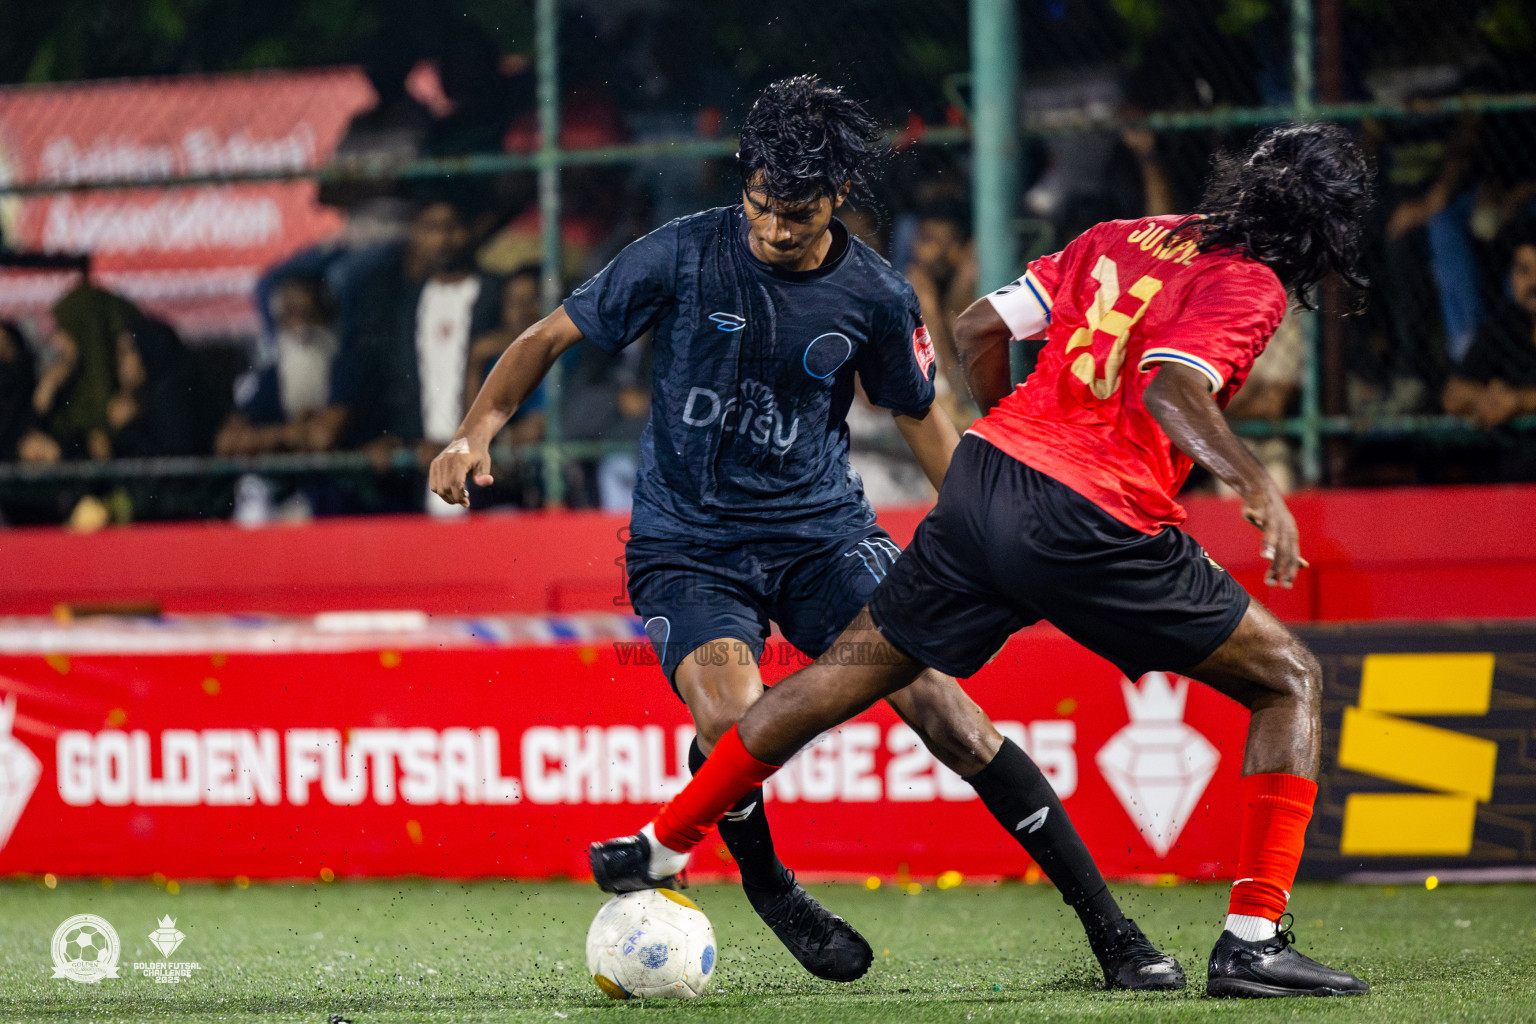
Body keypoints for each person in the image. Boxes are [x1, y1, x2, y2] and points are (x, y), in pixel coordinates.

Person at [588, 122, 1375, 1000]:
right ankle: (1253, 939)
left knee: (851, 679)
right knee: (1288, 678)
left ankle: (662, 839)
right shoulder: (1250, 284)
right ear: (1326, 232)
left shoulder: (1124, 235)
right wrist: (1254, 482)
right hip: (1092, 517)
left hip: (985, 480)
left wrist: (1016, 434)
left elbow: (979, 325)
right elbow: (1170, 385)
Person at [432, 76, 1182, 990]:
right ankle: (774, 889)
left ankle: (1113, 934)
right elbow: (547, 337)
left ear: (839, 197)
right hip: (688, 545)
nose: (776, 228)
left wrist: (994, 535)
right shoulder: (680, 253)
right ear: (744, 181)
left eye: (798, 212)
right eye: (761, 205)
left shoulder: (874, 295)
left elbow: (925, 420)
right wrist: (475, 431)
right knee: (736, 719)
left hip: (824, 539)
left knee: (946, 712)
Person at [1442, 216, 1536, 478]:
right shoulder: (1505, 325)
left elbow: (1515, 401)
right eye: (1524, 271)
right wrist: (1487, 399)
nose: (1532, 285)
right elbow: (1453, 396)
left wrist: (1520, 401)